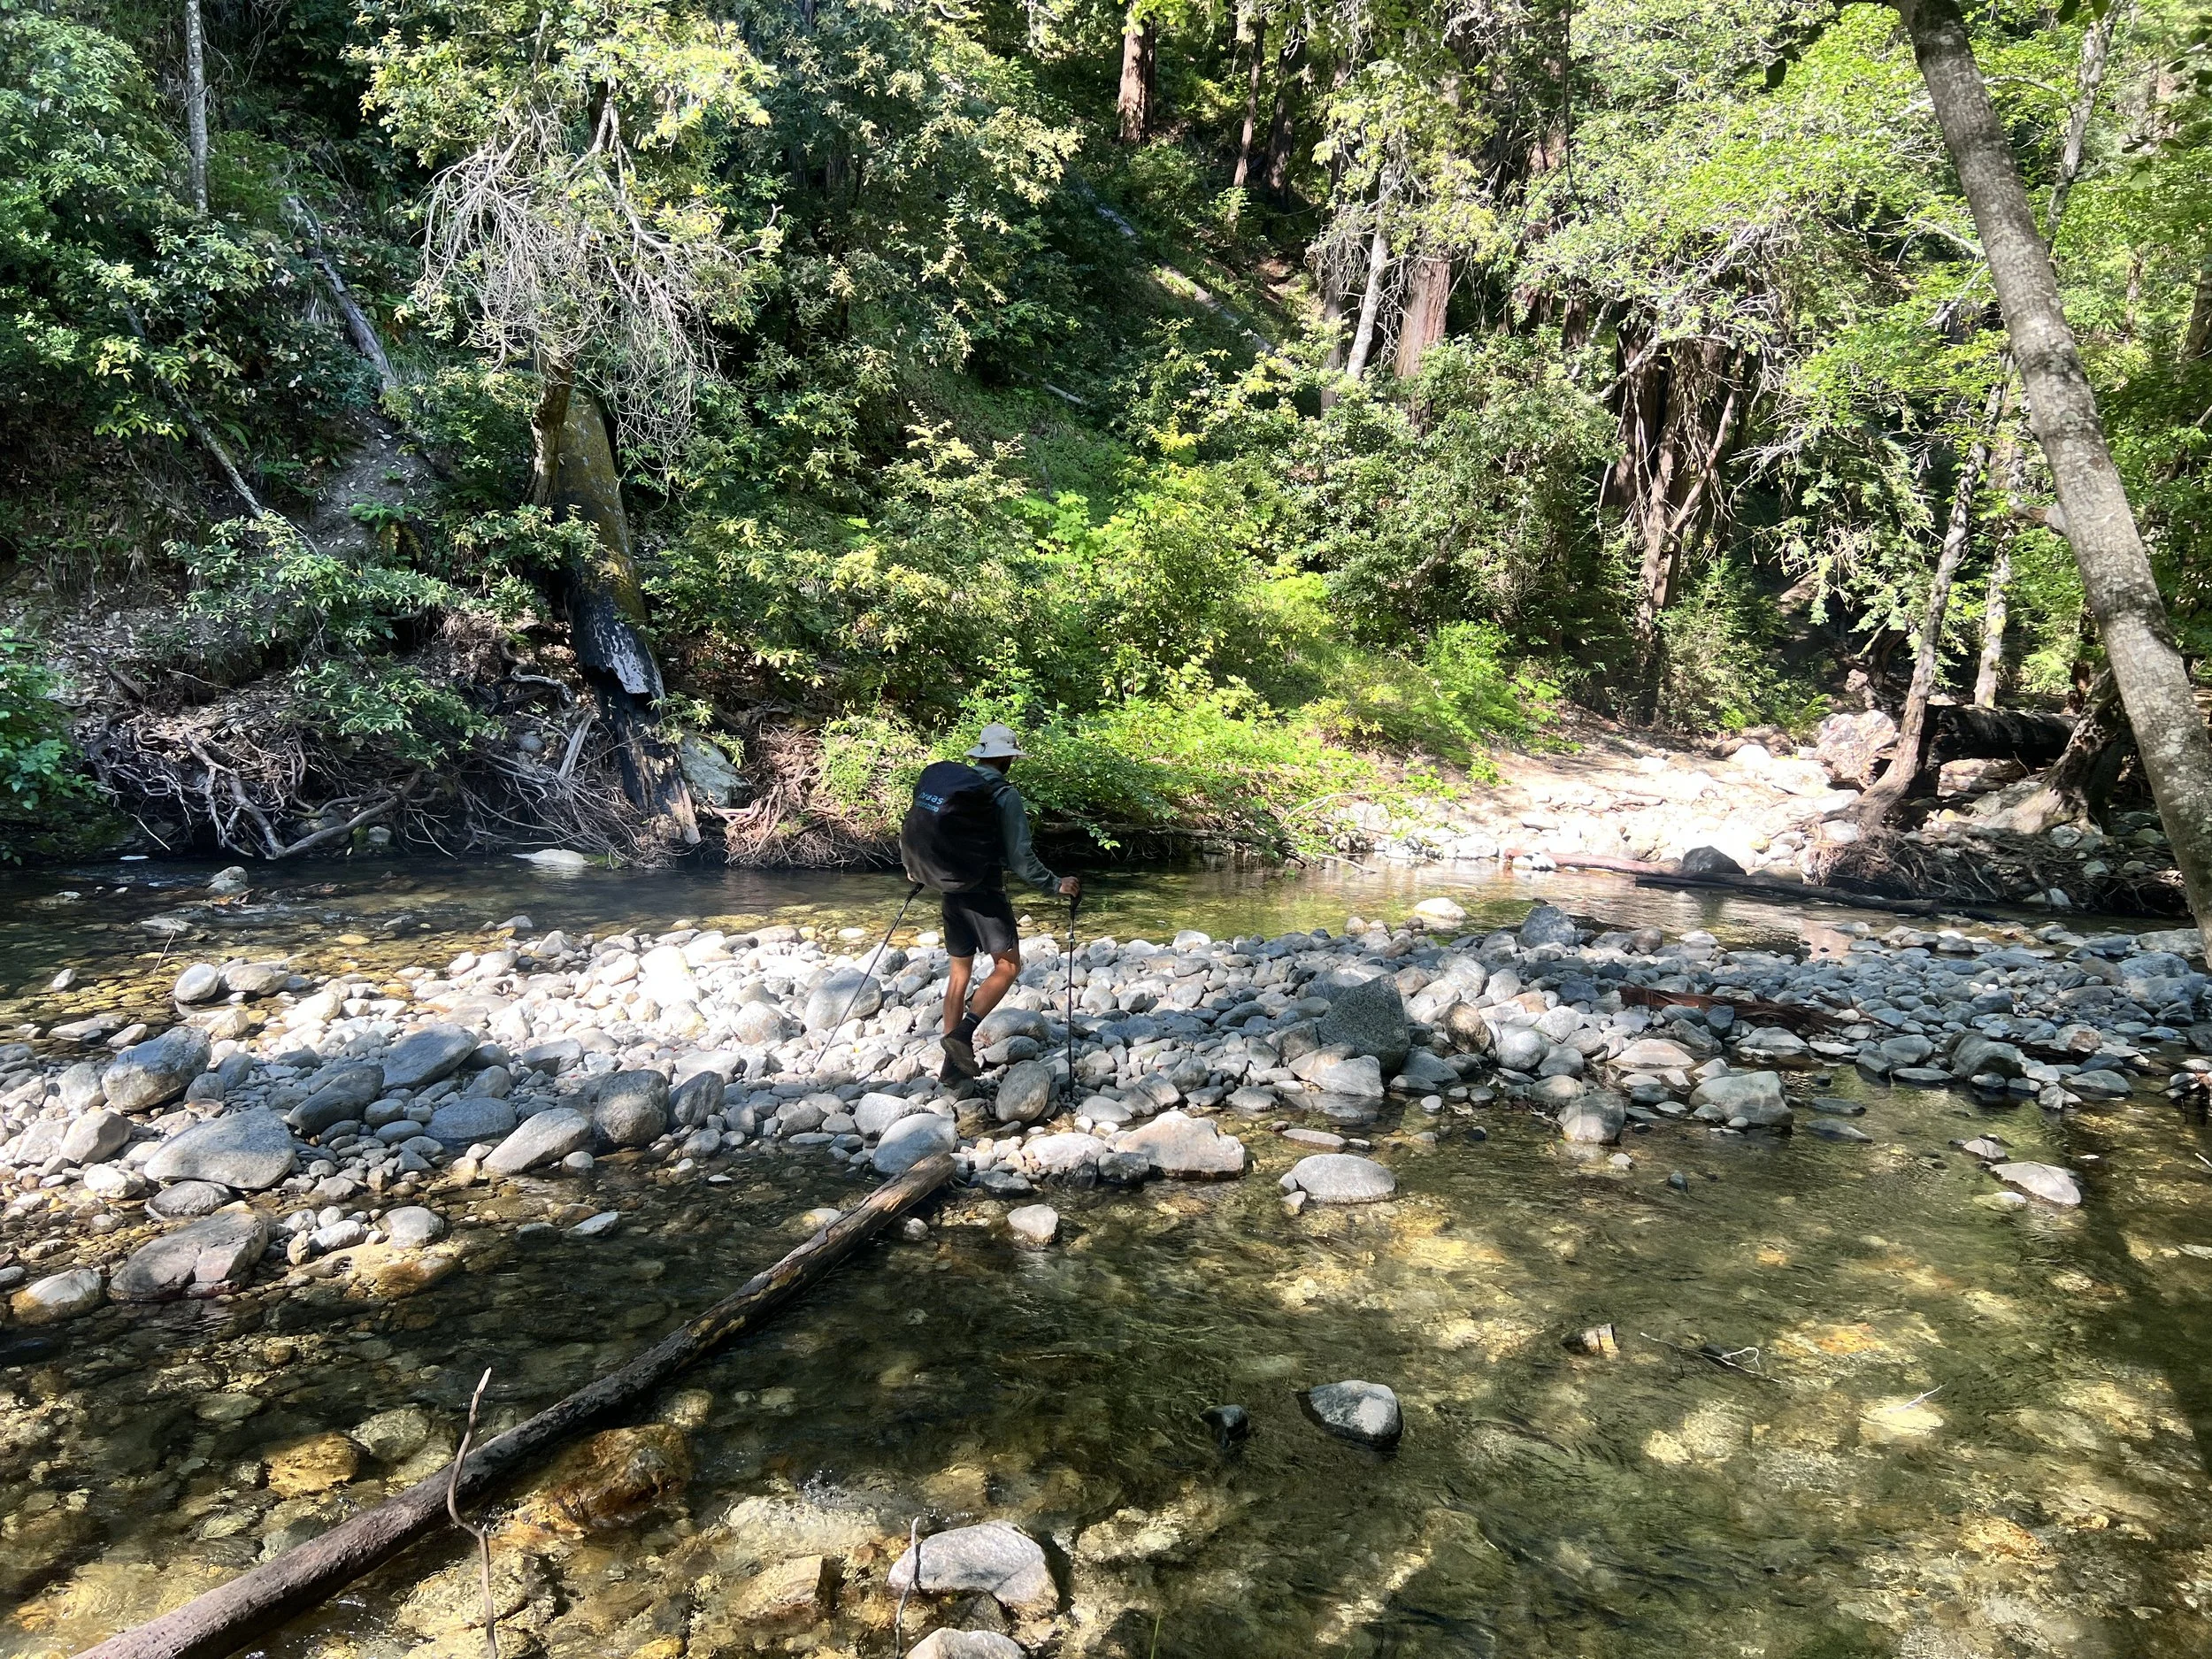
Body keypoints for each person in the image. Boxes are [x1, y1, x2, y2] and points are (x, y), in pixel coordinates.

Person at [898, 724, 1079, 1079]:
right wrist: (1055, 884)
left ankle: (951, 1068)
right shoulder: (1004, 795)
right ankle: (962, 1035)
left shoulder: (954, 788)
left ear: (981, 754)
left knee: (959, 973)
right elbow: (1020, 857)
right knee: (1008, 966)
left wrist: (920, 870)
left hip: (950, 887)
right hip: (984, 891)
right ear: (1008, 757)